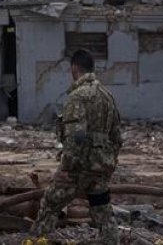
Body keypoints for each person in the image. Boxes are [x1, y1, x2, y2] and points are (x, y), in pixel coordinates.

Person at [30, 49, 123, 244]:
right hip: (101, 165)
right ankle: (111, 240)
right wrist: (109, 162)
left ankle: (37, 238)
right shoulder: (108, 97)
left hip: (78, 167)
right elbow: (116, 137)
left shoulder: (77, 96)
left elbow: (76, 136)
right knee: (101, 205)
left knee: (51, 202)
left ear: (74, 68)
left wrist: (66, 167)